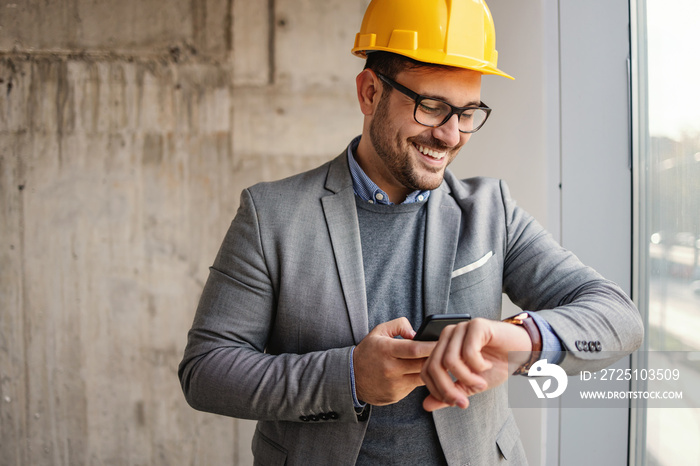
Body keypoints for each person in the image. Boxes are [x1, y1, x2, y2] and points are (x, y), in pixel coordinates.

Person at [178, 0, 643, 464]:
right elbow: (207, 370)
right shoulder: (271, 215)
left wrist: (523, 342)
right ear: (369, 93)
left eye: (467, 113)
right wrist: (349, 378)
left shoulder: (490, 211)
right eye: (432, 106)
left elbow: (618, 317)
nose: (451, 135)